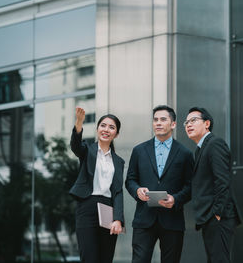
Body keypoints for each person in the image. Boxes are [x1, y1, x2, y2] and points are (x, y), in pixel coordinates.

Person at [125, 105, 194, 263]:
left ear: (173, 124)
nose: (158, 123)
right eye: (155, 120)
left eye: (163, 119)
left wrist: (175, 199)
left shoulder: (185, 154)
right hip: (144, 219)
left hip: (172, 220)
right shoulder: (139, 150)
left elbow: (191, 186)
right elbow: (130, 180)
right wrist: (137, 190)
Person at [184, 107, 242, 263]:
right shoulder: (201, 149)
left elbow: (222, 181)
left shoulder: (215, 144)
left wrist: (216, 213)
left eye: (193, 120)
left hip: (219, 217)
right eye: (186, 122)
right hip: (211, 217)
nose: (188, 125)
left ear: (207, 123)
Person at [69, 107, 125, 263]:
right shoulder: (87, 150)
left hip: (108, 209)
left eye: (111, 127)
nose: (106, 129)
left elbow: (118, 192)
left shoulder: (118, 161)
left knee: (105, 258)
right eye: (103, 125)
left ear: (116, 134)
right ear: (97, 129)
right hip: (87, 207)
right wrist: (79, 123)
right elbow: (75, 145)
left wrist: (118, 219)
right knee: (89, 257)